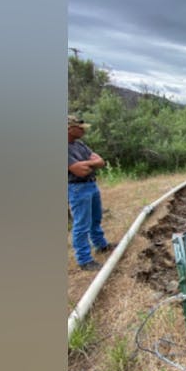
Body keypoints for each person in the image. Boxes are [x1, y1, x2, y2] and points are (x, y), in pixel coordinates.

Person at [67, 115, 115, 271]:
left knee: (96, 218)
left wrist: (88, 164)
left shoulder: (79, 145)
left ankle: (101, 245)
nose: (83, 131)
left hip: (91, 185)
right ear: (69, 128)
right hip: (77, 188)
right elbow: (80, 171)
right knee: (81, 224)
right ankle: (84, 259)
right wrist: (91, 163)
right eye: (80, 128)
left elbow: (100, 161)